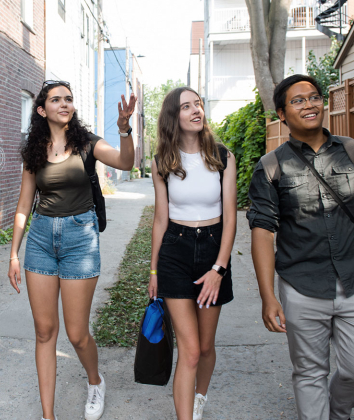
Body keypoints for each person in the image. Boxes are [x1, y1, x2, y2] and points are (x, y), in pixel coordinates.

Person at [8, 80, 136, 420]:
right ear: (41, 109)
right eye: (56, 99)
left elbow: (125, 161)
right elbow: (24, 205)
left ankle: (95, 380)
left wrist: (125, 130)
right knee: (45, 331)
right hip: (40, 238)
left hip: (80, 238)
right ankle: (48, 415)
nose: (64, 104)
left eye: (68, 99)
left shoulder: (87, 143)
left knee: (78, 334)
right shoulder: (34, 150)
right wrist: (13, 253)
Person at [247, 74, 354, 420]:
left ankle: (338, 413)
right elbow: (263, 232)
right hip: (302, 284)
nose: (309, 104)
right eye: (298, 100)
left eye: (313, 97)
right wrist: (268, 297)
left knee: (352, 369)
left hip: (352, 279)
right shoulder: (270, 166)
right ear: (282, 114)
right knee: (310, 372)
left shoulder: (351, 151)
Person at [149, 87, 237, 420]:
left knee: (204, 347)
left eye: (198, 104)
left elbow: (231, 217)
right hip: (175, 250)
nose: (195, 110)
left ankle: (200, 396)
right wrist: (154, 270)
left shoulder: (222, 156)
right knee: (188, 351)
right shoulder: (162, 162)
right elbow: (160, 219)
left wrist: (219, 268)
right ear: (174, 117)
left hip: (214, 249)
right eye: (186, 107)